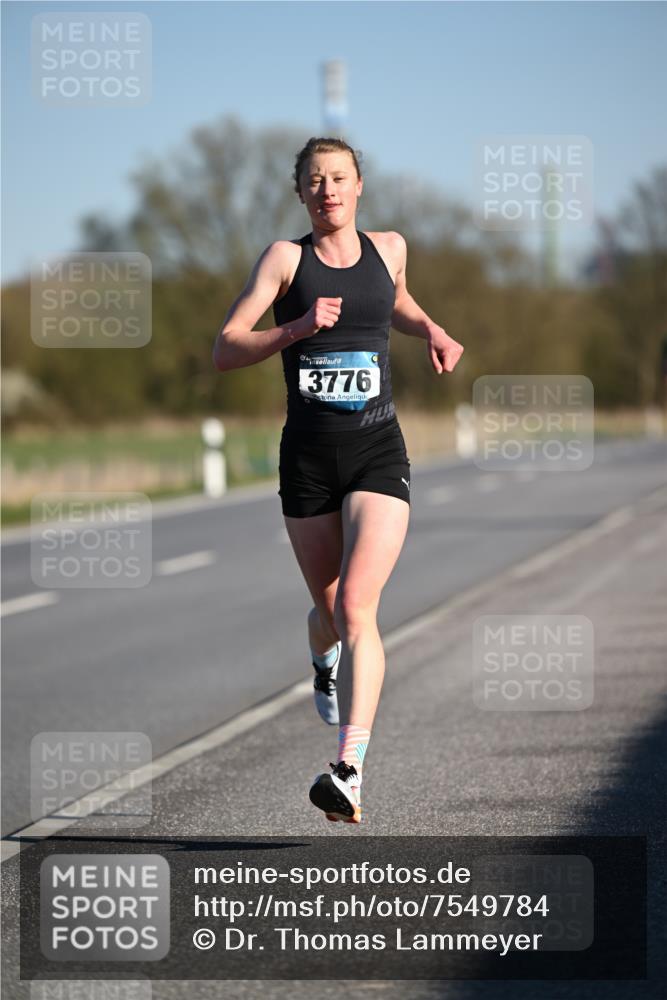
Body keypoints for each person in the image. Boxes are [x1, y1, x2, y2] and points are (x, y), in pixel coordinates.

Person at [213, 137, 463, 824]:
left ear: (358, 187)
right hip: (307, 461)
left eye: (339, 178)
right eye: (314, 180)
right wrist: (292, 328)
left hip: (377, 451)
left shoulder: (390, 248)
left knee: (357, 606)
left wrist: (434, 329)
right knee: (329, 615)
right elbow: (225, 346)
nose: (327, 190)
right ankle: (319, 657)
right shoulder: (284, 260)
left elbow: (396, 304)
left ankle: (347, 770)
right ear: (300, 193)